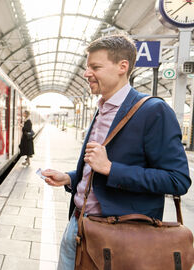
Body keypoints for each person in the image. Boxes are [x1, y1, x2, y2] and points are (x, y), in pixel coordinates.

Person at [41, 34, 191, 270]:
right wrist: (70, 177)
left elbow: (178, 180)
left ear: (123, 67)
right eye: (86, 66)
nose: (86, 73)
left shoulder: (154, 111)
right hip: (78, 225)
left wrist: (112, 169)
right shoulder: (102, 108)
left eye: (95, 67)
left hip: (119, 237)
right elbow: (97, 167)